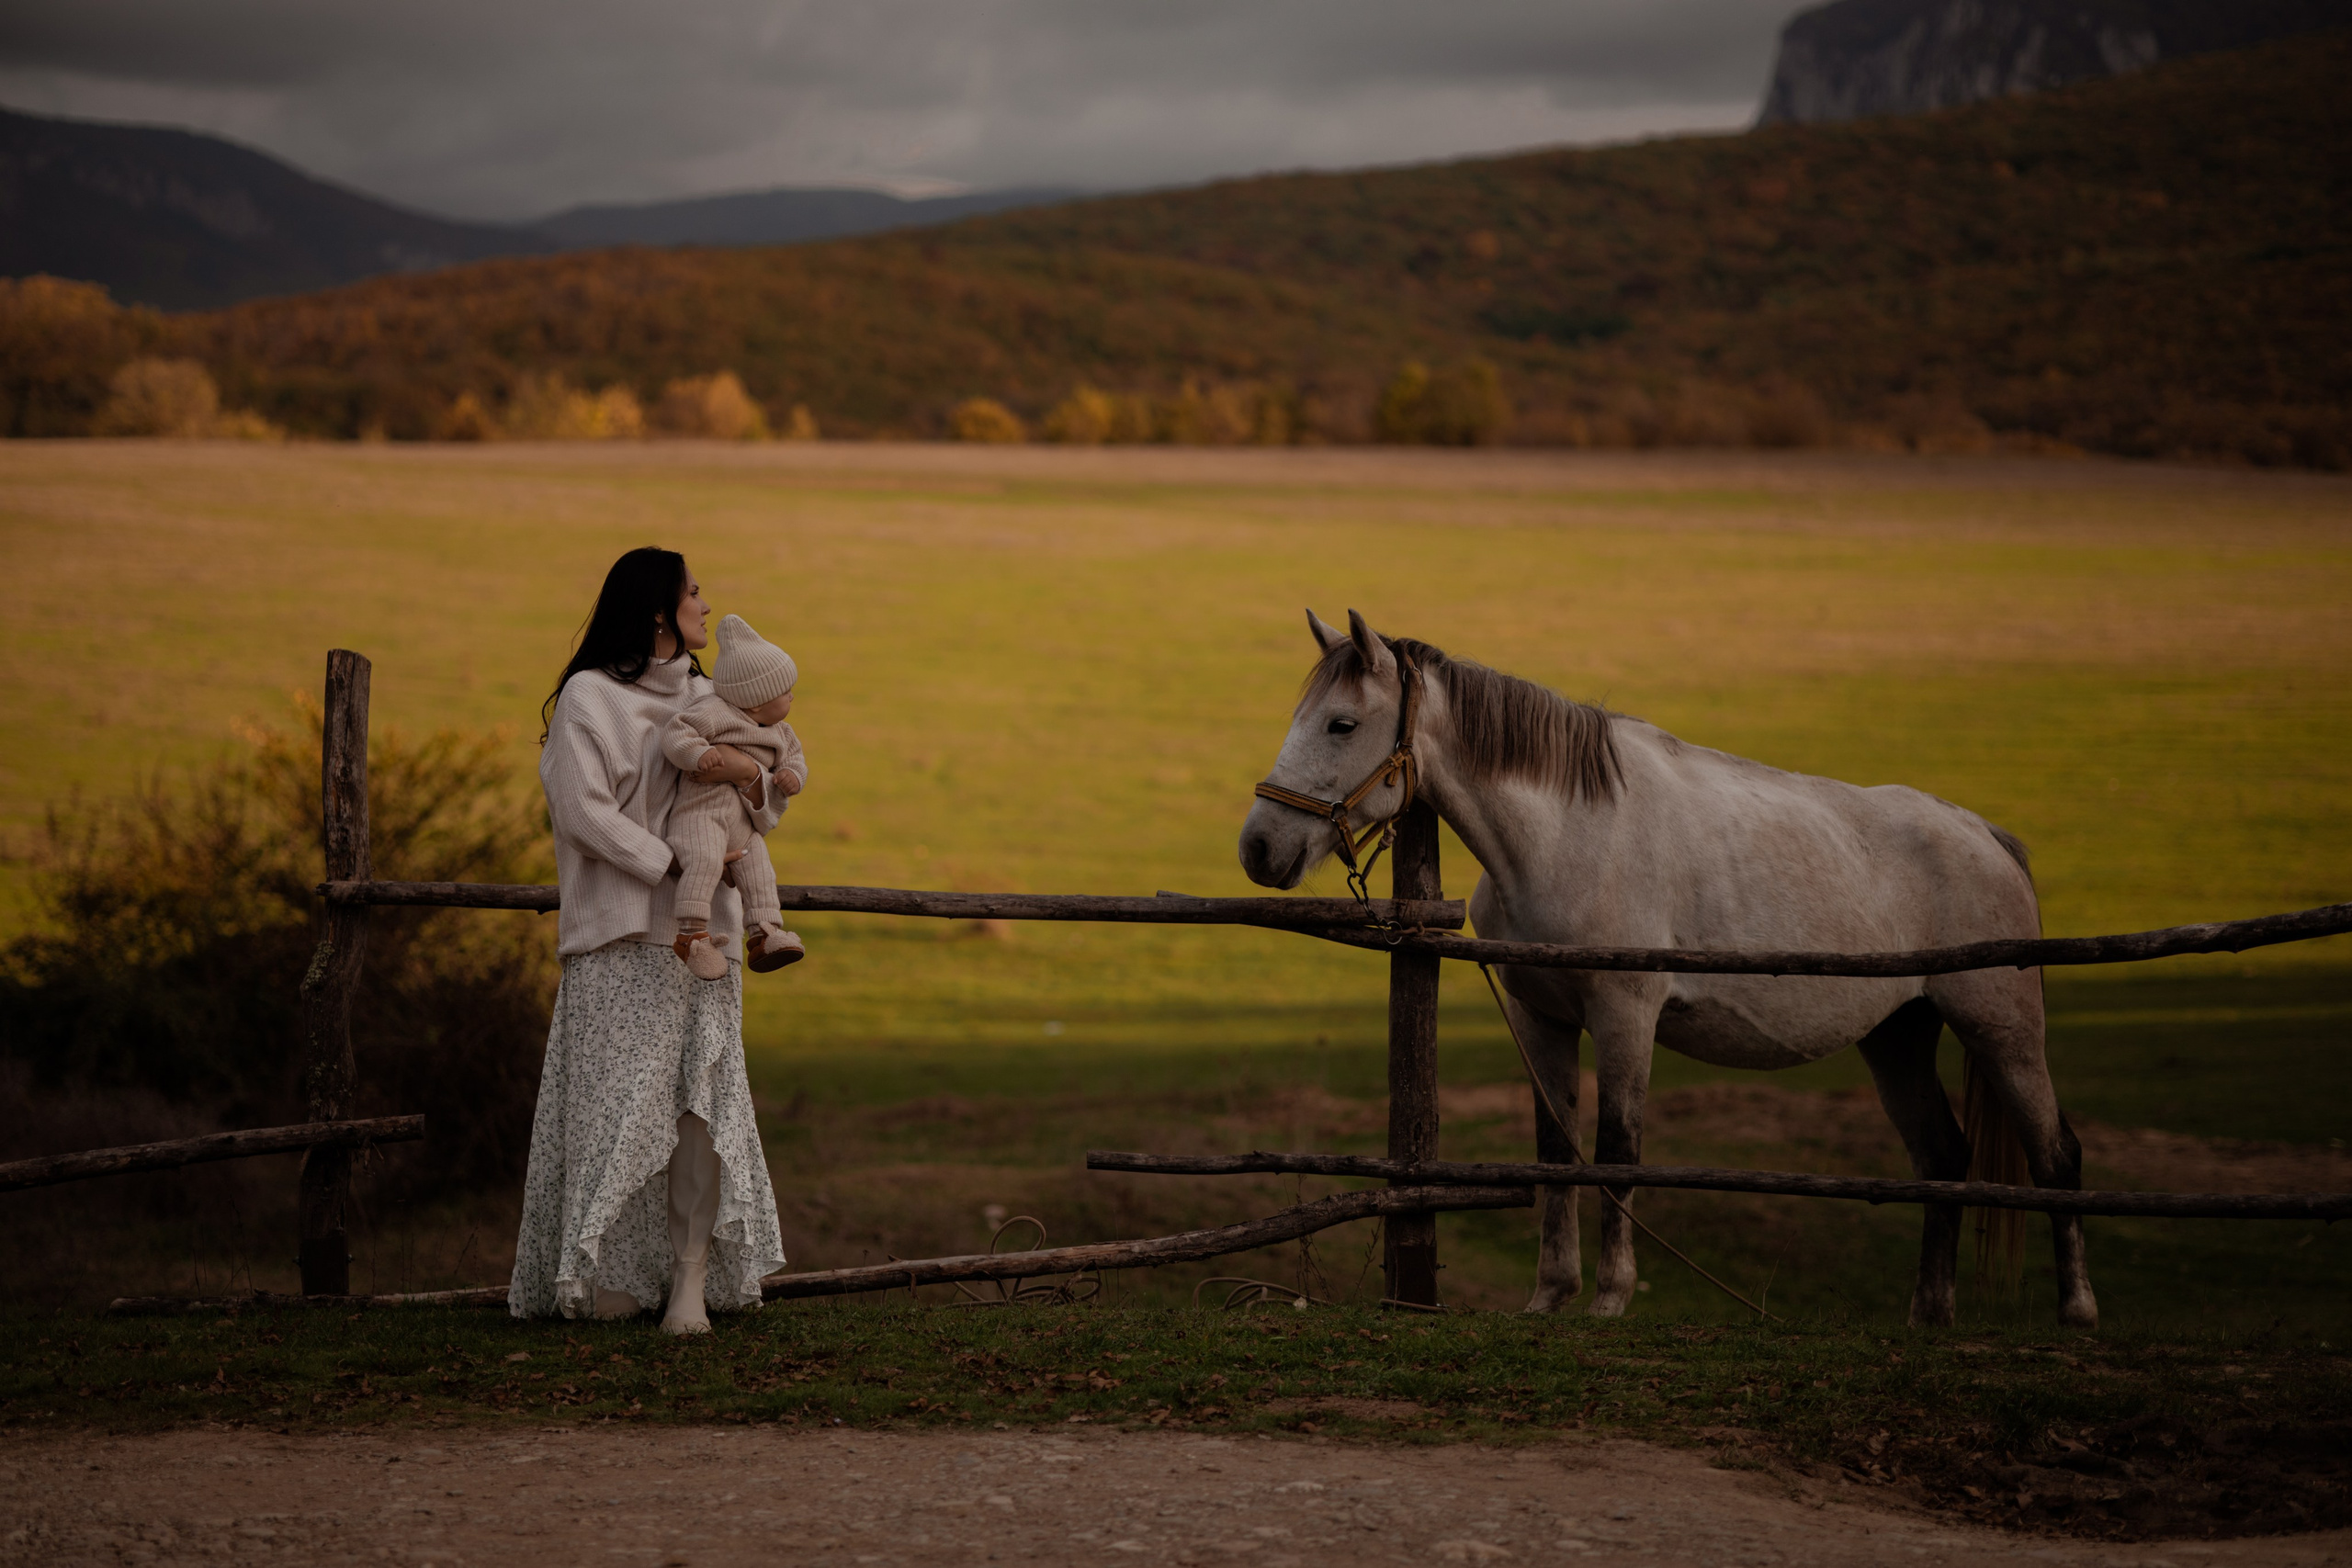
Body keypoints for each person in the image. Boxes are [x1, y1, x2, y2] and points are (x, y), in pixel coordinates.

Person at [509, 547, 789, 1334]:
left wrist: (753, 778)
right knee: (612, 1110)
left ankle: (690, 1288)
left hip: (709, 942)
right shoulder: (589, 699)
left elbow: (764, 806)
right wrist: (669, 863)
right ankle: (600, 1271)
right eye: (693, 590)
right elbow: (580, 810)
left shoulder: (715, 694)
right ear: (660, 610)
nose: (706, 602)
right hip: (616, 938)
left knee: (701, 1114)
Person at [662, 613, 808, 979]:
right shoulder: (714, 712)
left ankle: (765, 933)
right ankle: (692, 934)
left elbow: (794, 759)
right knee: (706, 861)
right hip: (701, 813)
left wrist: (792, 776)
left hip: (743, 824)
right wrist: (697, 753)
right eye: (784, 691)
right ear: (756, 702)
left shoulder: (782, 731)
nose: (792, 695)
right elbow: (677, 734)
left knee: (760, 871)